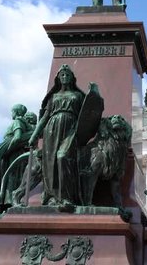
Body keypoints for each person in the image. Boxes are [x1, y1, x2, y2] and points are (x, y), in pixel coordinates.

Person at [29, 65, 86, 208]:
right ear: (58, 79)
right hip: (52, 129)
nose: (65, 77)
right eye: (62, 75)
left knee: (63, 157)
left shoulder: (78, 96)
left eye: (67, 75)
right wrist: (35, 135)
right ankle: (53, 196)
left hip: (70, 129)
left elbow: (84, 116)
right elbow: (45, 117)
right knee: (51, 163)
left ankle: (67, 197)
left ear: (72, 78)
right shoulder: (53, 96)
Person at [0, 104, 31, 214]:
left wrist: (7, 150)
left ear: (17, 112)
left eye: (12, 111)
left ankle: (5, 205)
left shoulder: (17, 122)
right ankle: (4, 205)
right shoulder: (22, 123)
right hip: (13, 153)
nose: (11, 113)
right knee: (9, 178)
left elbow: (17, 137)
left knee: (8, 178)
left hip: (11, 154)